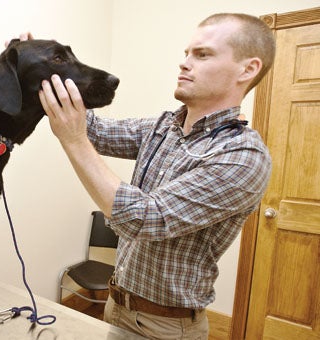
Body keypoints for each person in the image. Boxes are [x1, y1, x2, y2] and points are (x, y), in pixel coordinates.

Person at [31, 13, 275, 339]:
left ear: (248, 69)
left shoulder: (243, 157)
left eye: (202, 55)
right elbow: (96, 131)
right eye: (187, 53)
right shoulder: (164, 126)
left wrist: (73, 141)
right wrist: (41, 72)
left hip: (167, 327)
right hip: (115, 305)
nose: (184, 63)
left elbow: (146, 219)